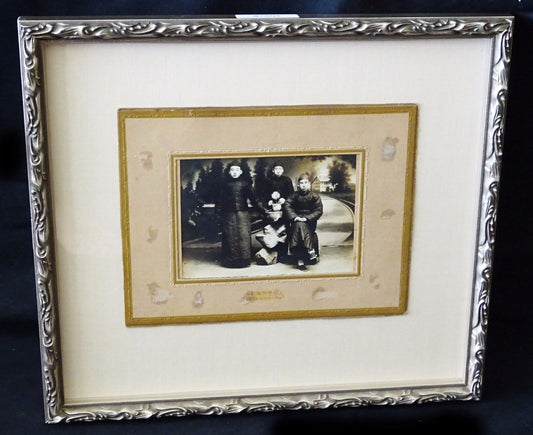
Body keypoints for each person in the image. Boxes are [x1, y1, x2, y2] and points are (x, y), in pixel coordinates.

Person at [218, 161, 261, 268]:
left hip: (243, 214)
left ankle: (244, 260)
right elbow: (219, 200)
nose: (235, 172)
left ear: (241, 172)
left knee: (243, 236)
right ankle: (229, 262)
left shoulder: (245, 184)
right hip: (228, 214)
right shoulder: (224, 184)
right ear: (229, 172)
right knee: (230, 236)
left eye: (237, 170)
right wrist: (217, 213)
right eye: (232, 170)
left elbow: (254, 198)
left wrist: (262, 209)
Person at [284, 172, 323, 270]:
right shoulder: (294, 196)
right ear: (298, 185)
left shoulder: (314, 196)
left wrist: (307, 218)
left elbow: (318, 210)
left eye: (306, 183)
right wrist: (295, 217)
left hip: (309, 222)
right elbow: (287, 205)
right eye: (301, 183)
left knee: (300, 225)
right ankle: (310, 250)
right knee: (299, 224)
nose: (303, 185)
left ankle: (299, 260)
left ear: (309, 184)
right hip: (296, 219)